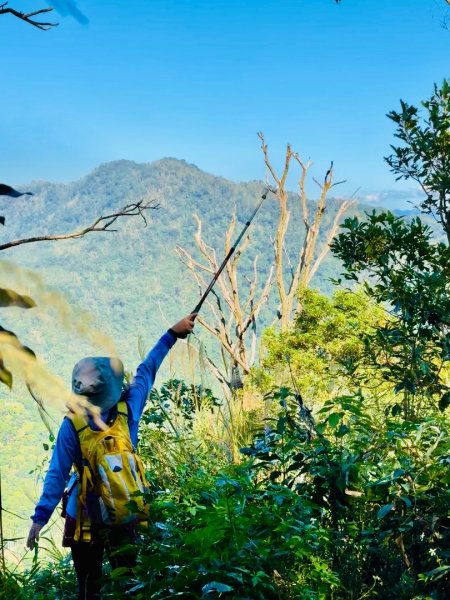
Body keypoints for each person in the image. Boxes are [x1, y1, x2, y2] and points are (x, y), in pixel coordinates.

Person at [26, 314, 196, 599]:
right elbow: (148, 369)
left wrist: (39, 519)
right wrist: (171, 333)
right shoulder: (130, 408)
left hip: (83, 517)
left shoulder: (74, 425)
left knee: (89, 587)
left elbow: (57, 474)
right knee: (127, 583)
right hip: (123, 507)